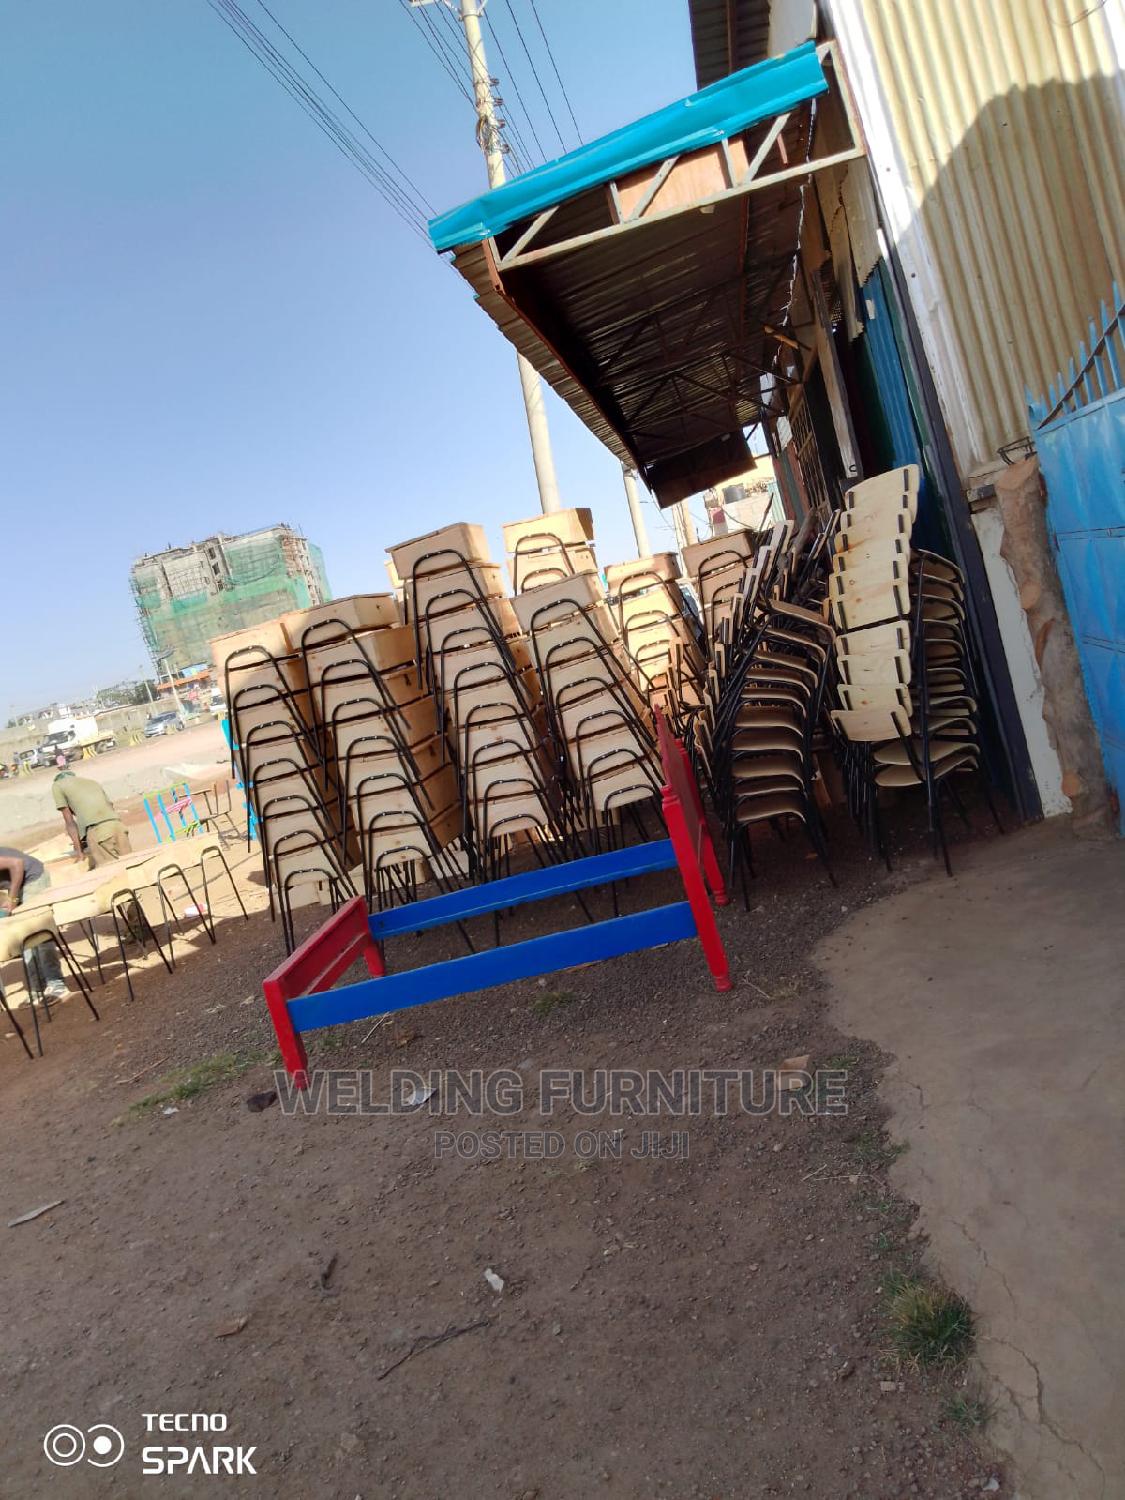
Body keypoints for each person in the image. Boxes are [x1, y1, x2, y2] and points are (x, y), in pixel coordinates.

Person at [0, 846, 69, 1001]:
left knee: (39, 933)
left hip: (33, 879)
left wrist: (12, 900)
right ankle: (38, 988)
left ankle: (56, 983)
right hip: (18, 884)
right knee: (22, 938)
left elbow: (17, 864)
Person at [52, 764, 133, 868]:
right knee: (131, 867)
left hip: (99, 832)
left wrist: (79, 853)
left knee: (111, 871)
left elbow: (70, 822)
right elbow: (110, 805)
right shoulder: (91, 782)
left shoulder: (57, 786)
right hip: (118, 826)